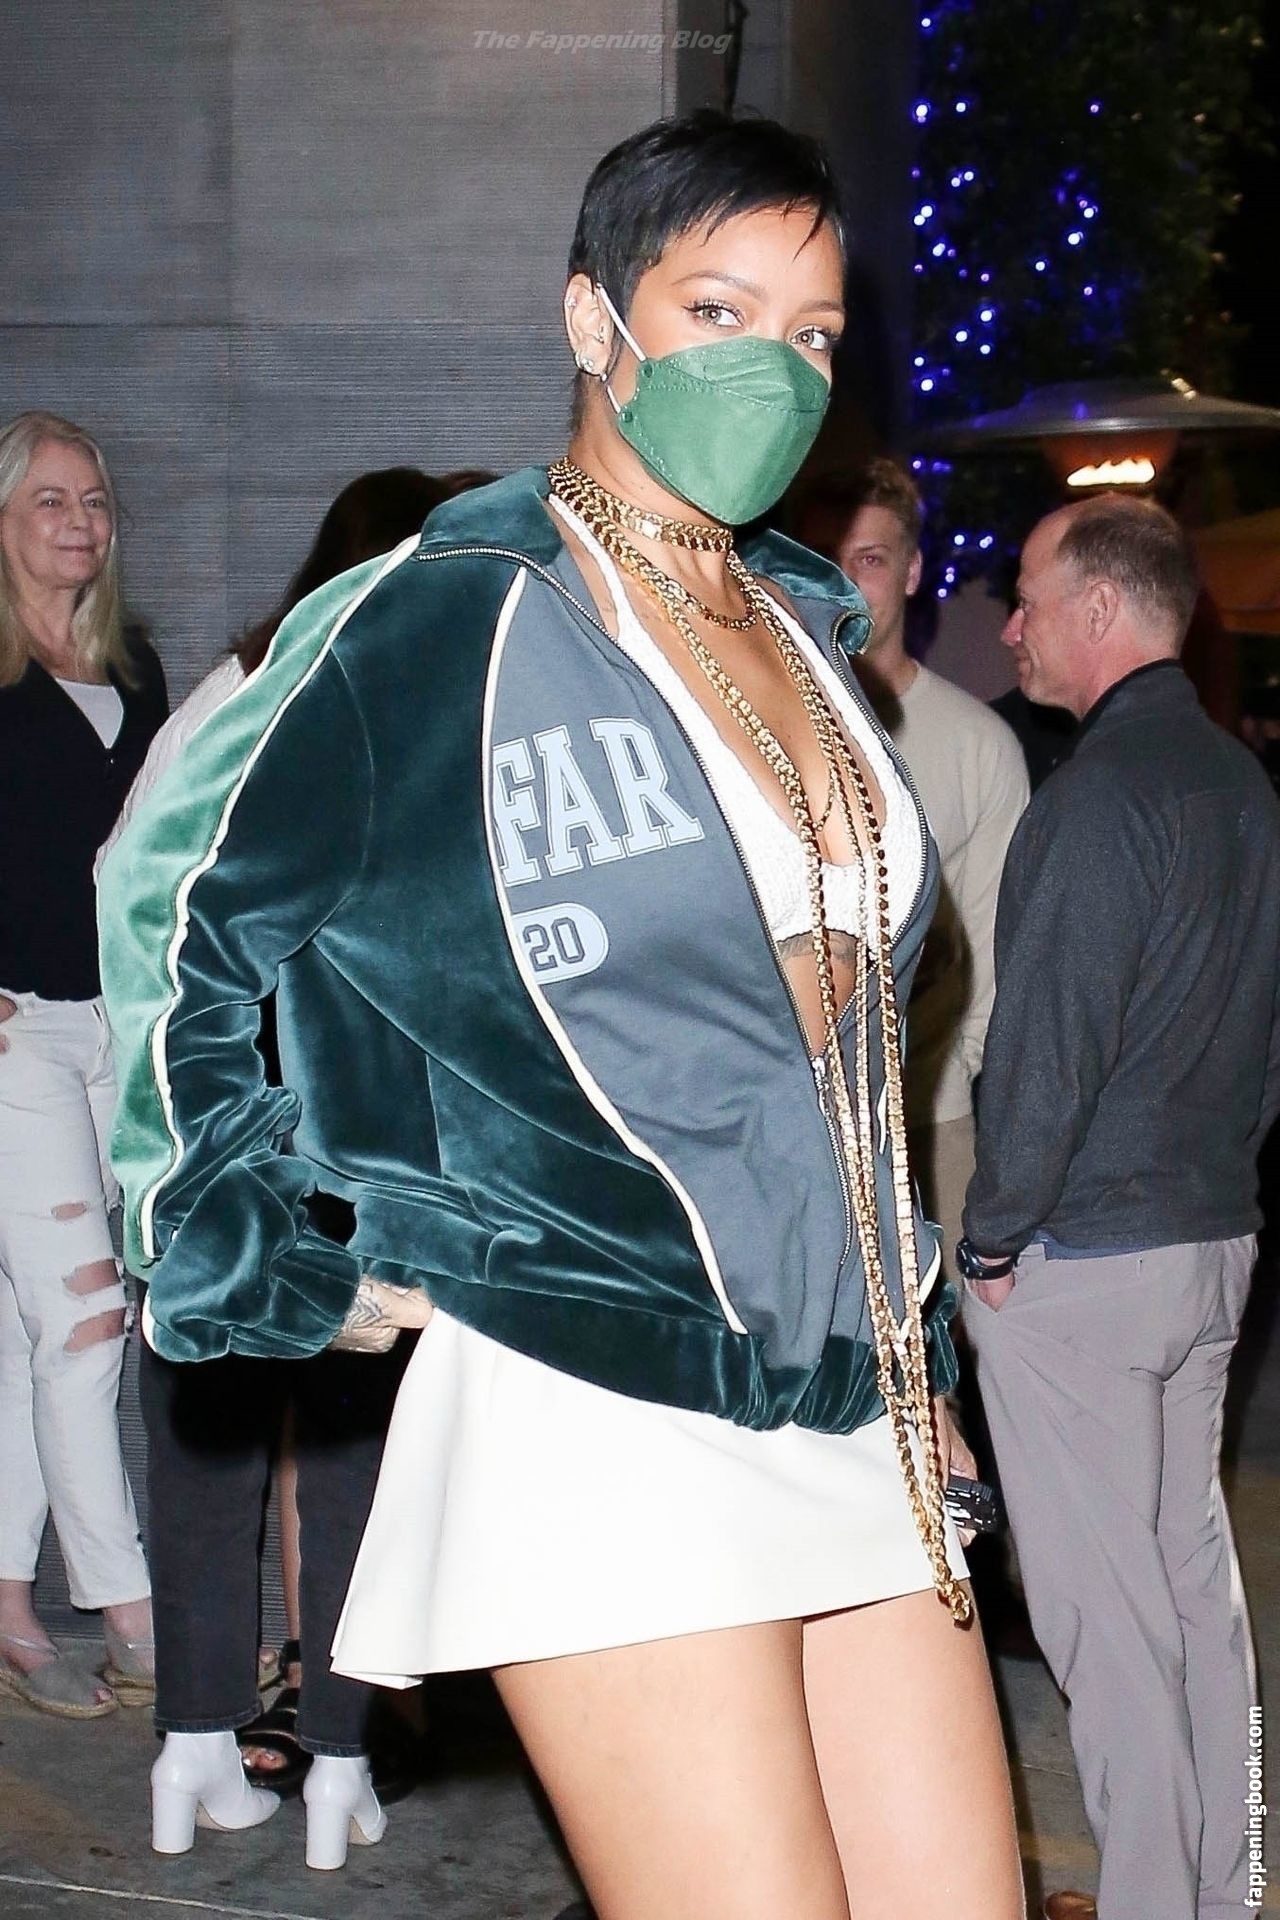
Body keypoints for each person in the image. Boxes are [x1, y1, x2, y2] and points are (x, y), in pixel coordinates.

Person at [100, 112, 1024, 1919]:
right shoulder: (455, 611)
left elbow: (846, 1064)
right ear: (594, 318)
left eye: (814, 332)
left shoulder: (810, 636)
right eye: (716, 309)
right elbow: (173, 887)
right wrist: (237, 1225)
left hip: (854, 1396)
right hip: (602, 1380)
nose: (773, 367)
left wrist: (916, 1348)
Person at [100, 466, 449, 1865]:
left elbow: (127, 877)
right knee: (357, 1461)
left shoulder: (239, 689)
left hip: (216, 1133)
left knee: (203, 1451)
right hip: (362, 1146)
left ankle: (190, 1751)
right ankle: (340, 1766)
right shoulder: (428, 710)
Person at [956, 494, 1280, 1920]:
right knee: (1193, 1595)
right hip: (1212, 1242)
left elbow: (1047, 1054)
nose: (1010, 627)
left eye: (1028, 597)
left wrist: (991, 1234)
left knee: (1111, 1629)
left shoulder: (1094, 801)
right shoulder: (1239, 784)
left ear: (1099, 608)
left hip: (1083, 1264)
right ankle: (1222, 1889)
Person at [0, 410, 167, 1718]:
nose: (80, 521)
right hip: (19, 1038)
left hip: (121, 1027)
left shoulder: (134, 666)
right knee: (85, 1324)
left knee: (31, 1335)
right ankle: (135, 1616)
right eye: (51, 500)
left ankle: (8, 1610)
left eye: (95, 501)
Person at [795, 460, 1028, 1278]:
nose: (847, 583)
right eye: (828, 559)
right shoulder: (755, 727)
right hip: (788, 1124)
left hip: (932, 1123)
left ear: (913, 570)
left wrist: (946, 1079)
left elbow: (997, 943)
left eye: (871, 559)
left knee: (945, 1340)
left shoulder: (977, 745)